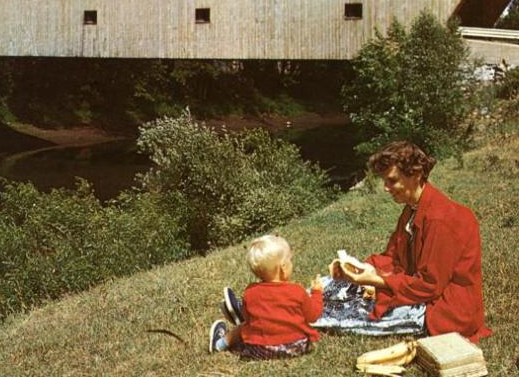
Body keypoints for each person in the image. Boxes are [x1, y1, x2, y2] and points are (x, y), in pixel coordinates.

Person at [329, 141, 492, 343]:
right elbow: (393, 257)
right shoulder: (413, 209)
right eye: (385, 181)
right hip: (419, 292)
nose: (386, 188)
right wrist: (357, 268)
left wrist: (377, 281)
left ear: (415, 175)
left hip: (444, 309)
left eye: (392, 181)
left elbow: (430, 285)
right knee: (332, 287)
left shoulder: (440, 219)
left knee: (342, 314)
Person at [209, 234, 324, 359]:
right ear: (283, 268)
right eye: (290, 260)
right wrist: (317, 293)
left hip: (259, 350)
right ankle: (239, 314)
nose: (292, 263)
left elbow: (248, 320)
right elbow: (313, 316)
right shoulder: (297, 291)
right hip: (297, 347)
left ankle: (219, 344)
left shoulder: (250, 292)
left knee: (243, 326)